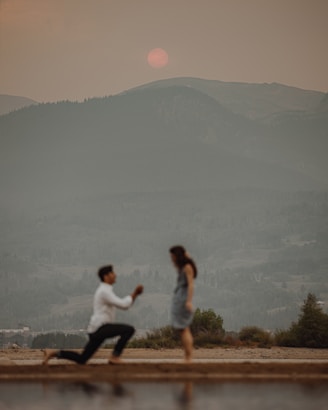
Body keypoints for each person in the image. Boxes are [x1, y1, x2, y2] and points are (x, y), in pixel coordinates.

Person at [43, 265, 143, 365]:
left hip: (95, 330)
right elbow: (124, 305)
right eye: (112, 273)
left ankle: (53, 353)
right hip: (100, 328)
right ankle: (115, 356)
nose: (115, 275)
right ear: (106, 276)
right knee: (129, 330)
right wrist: (135, 293)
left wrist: (135, 294)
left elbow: (124, 305)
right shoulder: (104, 291)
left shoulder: (105, 290)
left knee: (82, 359)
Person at [169, 245, 197, 362]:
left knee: (184, 328)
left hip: (182, 299)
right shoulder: (183, 267)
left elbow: (191, 284)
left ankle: (188, 357)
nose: (172, 259)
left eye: (173, 256)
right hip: (179, 298)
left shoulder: (187, 267)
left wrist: (189, 301)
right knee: (182, 329)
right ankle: (187, 356)